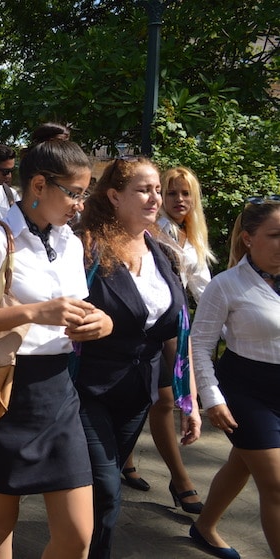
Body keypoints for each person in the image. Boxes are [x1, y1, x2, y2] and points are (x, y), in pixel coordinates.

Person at [0, 139, 113, 559]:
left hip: (57, 394)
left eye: (84, 193)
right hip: (2, 391)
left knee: (77, 535)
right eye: (74, 192)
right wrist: (34, 313)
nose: (80, 204)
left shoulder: (70, 242)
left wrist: (103, 323)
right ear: (39, 184)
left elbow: (77, 311)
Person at [74, 157, 202, 559]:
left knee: (103, 491)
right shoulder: (85, 244)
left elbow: (177, 335)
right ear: (114, 196)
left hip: (137, 392)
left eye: (157, 190)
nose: (155, 198)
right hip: (84, 386)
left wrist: (189, 400)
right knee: (107, 488)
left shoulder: (165, 253)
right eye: (143, 190)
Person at [189, 197, 280, 559]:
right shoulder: (225, 285)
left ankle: (204, 525)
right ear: (248, 238)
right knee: (275, 486)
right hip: (246, 391)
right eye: (275, 235)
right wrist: (211, 398)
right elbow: (198, 346)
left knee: (241, 462)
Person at [121, 166, 214, 512]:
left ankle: (131, 462)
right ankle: (180, 479)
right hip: (152, 326)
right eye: (171, 193)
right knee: (161, 401)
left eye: (185, 193)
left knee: (154, 400)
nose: (178, 200)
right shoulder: (155, 232)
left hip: (178, 324)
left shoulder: (192, 234)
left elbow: (203, 288)